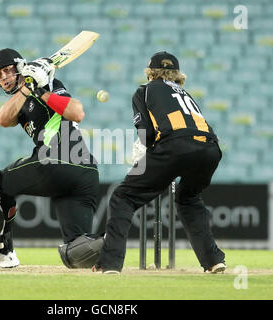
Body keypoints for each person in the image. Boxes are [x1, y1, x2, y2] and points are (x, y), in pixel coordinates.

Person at [93, 51, 226, 274]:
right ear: (177, 74)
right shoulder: (185, 93)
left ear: (150, 72)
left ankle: (110, 263)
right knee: (188, 198)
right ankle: (213, 260)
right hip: (210, 149)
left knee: (122, 196)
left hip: (175, 146)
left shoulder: (144, 91)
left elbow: (146, 135)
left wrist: (145, 153)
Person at [0, 48, 104, 269]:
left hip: (58, 159)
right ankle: (113, 239)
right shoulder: (23, 95)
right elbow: (2, 119)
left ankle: (1, 253)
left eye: (7, 70)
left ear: (19, 67)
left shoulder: (47, 84)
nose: (4, 78)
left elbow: (77, 113)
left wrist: (41, 90)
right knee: (75, 253)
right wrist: (27, 88)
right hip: (84, 172)